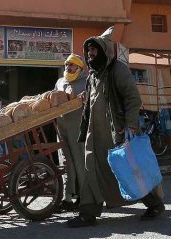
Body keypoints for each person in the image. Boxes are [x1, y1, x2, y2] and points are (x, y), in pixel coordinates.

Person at [67, 27, 165, 227]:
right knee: (90, 170)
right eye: (88, 51)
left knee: (126, 171)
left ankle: (154, 203)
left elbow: (132, 97)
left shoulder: (117, 70)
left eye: (94, 50)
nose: (90, 54)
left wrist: (131, 125)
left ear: (104, 51)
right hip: (93, 136)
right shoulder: (93, 75)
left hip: (115, 133)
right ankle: (88, 213)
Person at [54, 54, 87, 212]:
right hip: (61, 127)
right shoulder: (60, 82)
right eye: (67, 64)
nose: (68, 67)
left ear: (79, 68)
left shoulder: (86, 82)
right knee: (65, 162)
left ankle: (84, 197)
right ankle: (67, 198)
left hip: (78, 128)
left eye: (72, 65)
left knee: (79, 161)